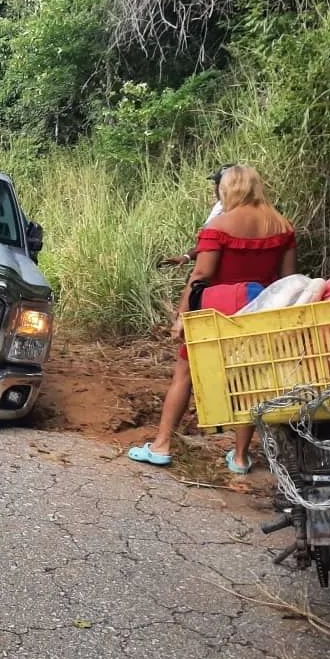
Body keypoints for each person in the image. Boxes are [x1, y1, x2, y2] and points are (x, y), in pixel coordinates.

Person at [129, 165, 297, 474]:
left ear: (228, 190)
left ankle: (161, 445)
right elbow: (288, 280)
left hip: (214, 314)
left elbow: (201, 276)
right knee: (248, 382)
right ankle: (241, 457)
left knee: (185, 375)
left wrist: (182, 317)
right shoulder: (283, 226)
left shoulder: (220, 226)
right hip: (258, 313)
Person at [157, 164, 235, 268]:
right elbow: (208, 244)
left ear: (224, 187)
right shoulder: (220, 205)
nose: (214, 187)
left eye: (216, 183)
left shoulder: (230, 212)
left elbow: (213, 246)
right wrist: (187, 257)